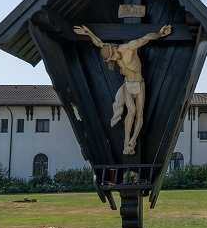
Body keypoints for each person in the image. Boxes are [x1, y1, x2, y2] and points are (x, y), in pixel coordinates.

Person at [73, 24, 172, 155]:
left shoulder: (129, 48)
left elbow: (146, 38)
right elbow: (98, 43)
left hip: (139, 84)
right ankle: (126, 143)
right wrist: (88, 32)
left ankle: (133, 140)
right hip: (127, 84)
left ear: (114, 49)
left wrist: (159, 34)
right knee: (131, 111)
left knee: (139, 114)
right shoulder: (108, 51)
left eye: (112, 57)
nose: (113, 60)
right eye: (110, 59)